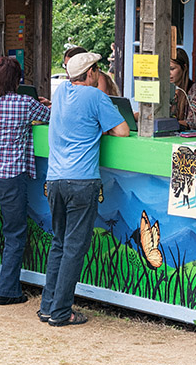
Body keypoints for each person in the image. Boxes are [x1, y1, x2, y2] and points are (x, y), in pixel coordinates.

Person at [39, 52, 129, 326]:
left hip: (54, 180)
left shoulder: (61, 91)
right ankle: (61, 312)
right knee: (75, 247)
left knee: (59, 243)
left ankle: (47, 306)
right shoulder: (95, 97)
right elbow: (123, 131)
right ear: (91, 73)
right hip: (82, 181)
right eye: (97, 70)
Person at [0, 57, 51, 305]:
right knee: (14, 233)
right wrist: (45, 104)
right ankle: (8, 291)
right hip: (10, 176)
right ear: (19, 80)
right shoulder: (26, 103)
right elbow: (50, 117)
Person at [169, 48, 196, 130]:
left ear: (184, 67)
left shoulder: (195, 91)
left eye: (172, 69)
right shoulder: (166, 90)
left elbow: (194, 123)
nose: (168, 72)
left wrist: (166, 123)